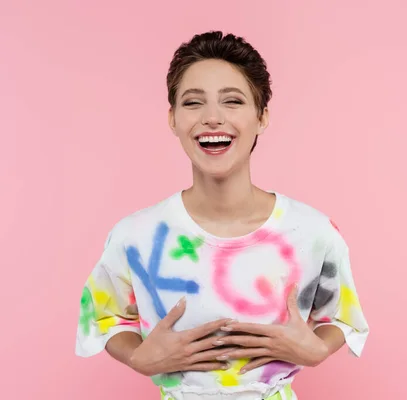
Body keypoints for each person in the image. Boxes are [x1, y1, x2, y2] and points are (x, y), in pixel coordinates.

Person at [75, 31, 369, 400]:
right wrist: (137, 357)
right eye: (193, 103)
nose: (212, 118)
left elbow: (340, 317)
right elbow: (105, 317)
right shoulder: (136, 235)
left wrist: (318, 350)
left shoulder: (313, 232)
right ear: (173, 118)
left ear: (262, 117)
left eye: (233, 101)